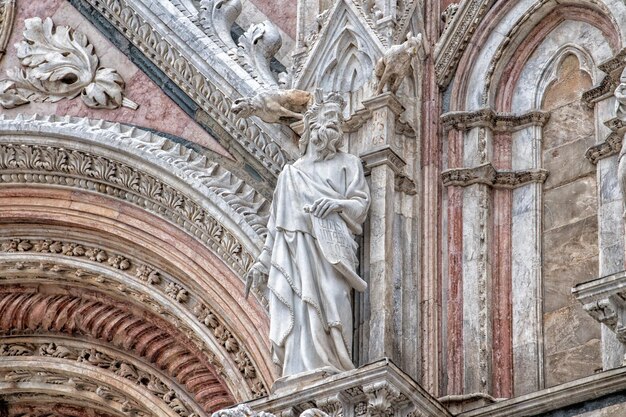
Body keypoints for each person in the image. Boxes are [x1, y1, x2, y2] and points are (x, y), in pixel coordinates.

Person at [246, 90, 371, 377]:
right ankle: (299, 370)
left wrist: (337, 204)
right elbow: (275, 227)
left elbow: (360, 205)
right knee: (299, 310)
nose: (331, 129)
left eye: (336, 124)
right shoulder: (291, 173)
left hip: (331, 251)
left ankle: (335, 364)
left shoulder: (347, 164)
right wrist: (261, 264)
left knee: (335, 301)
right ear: (311, 125)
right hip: (293, 251)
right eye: (326, 121)